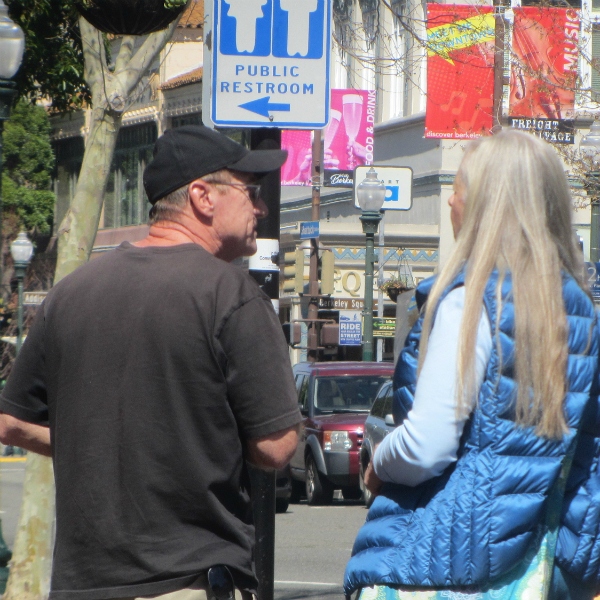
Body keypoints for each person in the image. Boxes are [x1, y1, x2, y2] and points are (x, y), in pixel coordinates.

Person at [0, 125, 302, 600]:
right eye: (249, 191)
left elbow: (12, 422)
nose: (261, 207)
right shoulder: (231, 295)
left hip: (83, 584)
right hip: (185, 578)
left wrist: (107, 445)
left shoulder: (70, 293)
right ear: (203, 196)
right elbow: (277, 445)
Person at [344, 129, 600, 600]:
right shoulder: (579, 309)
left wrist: (378, 461)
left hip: (452, 555)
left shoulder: (469, 301)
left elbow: (428, 445)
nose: (450, 204)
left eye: (459, 190)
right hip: (543, 562)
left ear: (486, 204)